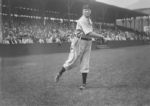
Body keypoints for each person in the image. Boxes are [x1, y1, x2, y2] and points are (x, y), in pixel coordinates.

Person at [55, 4, 106, 90]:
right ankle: (59, 73)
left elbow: (90, 33)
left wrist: (97, 37)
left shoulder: (89, 20)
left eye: (88, 9)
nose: (87, 11)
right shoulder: (82, 20)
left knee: (85, 63)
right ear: (82, 11)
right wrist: (101, 36)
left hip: (88, 42)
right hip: (79, 42)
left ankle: (83, 84)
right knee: (72, 61)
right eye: (85, 10)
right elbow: (89, 33)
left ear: (91, 11)